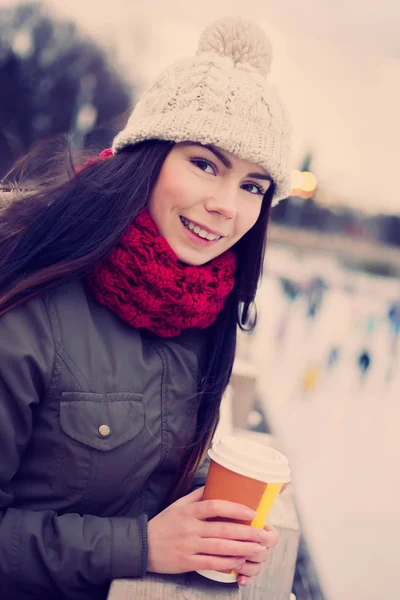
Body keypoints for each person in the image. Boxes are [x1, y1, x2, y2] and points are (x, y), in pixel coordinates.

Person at [0, 16, 292, 600]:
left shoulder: (203, 311)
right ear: (145, 156)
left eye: (253, 186)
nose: (225, 207)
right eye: (204, 164)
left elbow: (140, 474)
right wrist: (142, 545)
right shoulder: (30, 302)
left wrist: (216, 514)